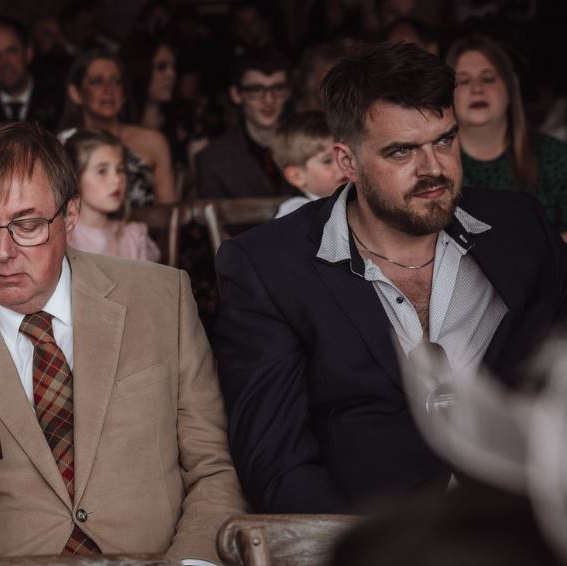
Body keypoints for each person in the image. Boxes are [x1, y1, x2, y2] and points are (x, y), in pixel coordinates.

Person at [0, 122, 245, 563]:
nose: (3, 251)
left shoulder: (161, 300)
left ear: (70, 215)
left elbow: (212, 470)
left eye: (28, 224)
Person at [212, 42, 567, 513]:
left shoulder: (521, 228)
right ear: (347, 161)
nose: (433, 169)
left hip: (528, 525)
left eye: (444, 140)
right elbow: (276, 464)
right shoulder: (267, 266)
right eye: (402, 151)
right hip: (375, 536)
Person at [447, 35, 567, 232]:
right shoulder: (433, 165)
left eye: (488, 78)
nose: (477, 89)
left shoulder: (556, 157)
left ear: (510, 88)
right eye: (463, 81)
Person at [59, 49, 178, 205]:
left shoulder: (154, 142)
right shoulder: (62, 146)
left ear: (124, 94)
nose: (108, 89)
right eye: (97, 81)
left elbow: (171, 213)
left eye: (116, 82)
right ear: (76, 93)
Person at [195, 48, 293, 199]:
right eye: (256, 90)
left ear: (288, 92)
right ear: (236, 94)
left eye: (278, 88)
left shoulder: (311, 146)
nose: (268, 100)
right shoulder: (213, 159)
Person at [65, 129, 161, 261]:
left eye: (120, 170)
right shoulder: (62, 238)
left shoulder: (133, 237)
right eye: (102, 171)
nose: (117, 179)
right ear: (75, 177)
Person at [271, 111, 348, 218]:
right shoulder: (294, 212)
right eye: (327, 161)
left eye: (345, 154)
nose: (343, 163)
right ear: (297, 176)